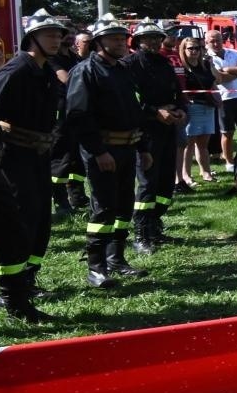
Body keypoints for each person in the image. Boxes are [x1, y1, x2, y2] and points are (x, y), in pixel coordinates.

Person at [65, 16, 152, 288]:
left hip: (127, 149)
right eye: (113, 38)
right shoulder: (86, 71)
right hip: (103, 152)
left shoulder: (123, 71)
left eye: (122, 38)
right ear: (98, 42)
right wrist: (98, 152)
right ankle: (96, 267)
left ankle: (117, 259)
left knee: (123, 207)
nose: (120, 43)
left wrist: (143, 148)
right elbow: (78, 116)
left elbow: (134, 111)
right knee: (103, 209)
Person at [0, 12, 66, 308]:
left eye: (59, 36)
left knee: (39, 220)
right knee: (19, 221)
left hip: (37, 157)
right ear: (31, 39)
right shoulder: (15, 71)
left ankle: (28, 279)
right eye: (49, 35)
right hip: (13, 160)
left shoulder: (46, 71)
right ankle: (8, 290)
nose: (56, 40)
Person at [122, 22, 187, 252]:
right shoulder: (129, 65)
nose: (154, 42)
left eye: (157, 38)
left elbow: (177, 92)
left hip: (167, 129)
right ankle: (140, 233)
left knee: (166, 182)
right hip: (145, 132)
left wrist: (180, 109)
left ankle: (155, 226)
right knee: (147, 183)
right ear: (138, 41)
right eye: (148, 38)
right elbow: (128, 100)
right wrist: (154, 112)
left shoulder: (164, 63)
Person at [49, 26, 90, 216]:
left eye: (72, 34)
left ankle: (77, 195)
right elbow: (66, 79)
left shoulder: (74, 58)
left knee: (77, 159)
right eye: (66, 34)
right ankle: (60, 201)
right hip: (60, 115)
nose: (70, 37)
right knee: (60, 158)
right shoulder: (53, 59)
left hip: (76, 112)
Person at [210, 32, 237, 172]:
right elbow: (219, 79)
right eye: (212, 41)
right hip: (224, 99)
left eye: (218, 40)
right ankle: (229, 162)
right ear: (207, 42)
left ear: (223, 40)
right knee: (227, 133)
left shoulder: (234, 52)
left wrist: (228, 69)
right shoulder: (208, 58)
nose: (216, 44)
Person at [179, 33, 219, 183]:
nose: (195, 51)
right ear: (183, 50)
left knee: (203, 144)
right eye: (191, 48)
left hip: (208, 107)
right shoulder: (182, 68)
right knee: (188, 144)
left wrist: (218, 98)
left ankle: (206, 172)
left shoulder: (205, 65)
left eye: (197, 48)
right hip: (191, 107)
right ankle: (186, 175)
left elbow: (215, 81)